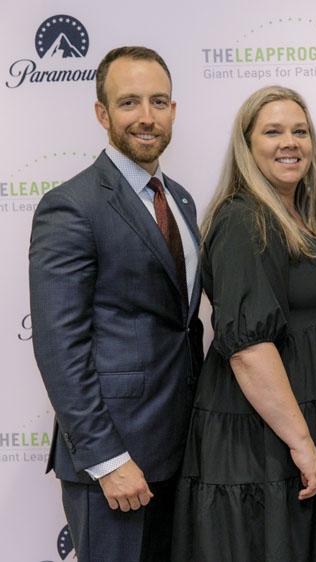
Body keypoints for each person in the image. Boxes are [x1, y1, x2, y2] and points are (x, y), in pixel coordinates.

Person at [172, 86, 316, 561]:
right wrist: (303, 443)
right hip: (264, 436)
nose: (290, 142)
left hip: (314, 414)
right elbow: (248, 351)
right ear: (247, 146)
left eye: (300, 131)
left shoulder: (306, 217)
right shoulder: (243, 219)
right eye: (273, 131)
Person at [28, 46, 202, 562]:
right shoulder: (70, 206)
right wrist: (106, 458)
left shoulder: (182, 199)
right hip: (115, 463)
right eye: (129, 103)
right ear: (102, 113)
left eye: (159, 101)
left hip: (181, 452)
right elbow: (60, 347)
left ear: (173, 110)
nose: (146, 117)